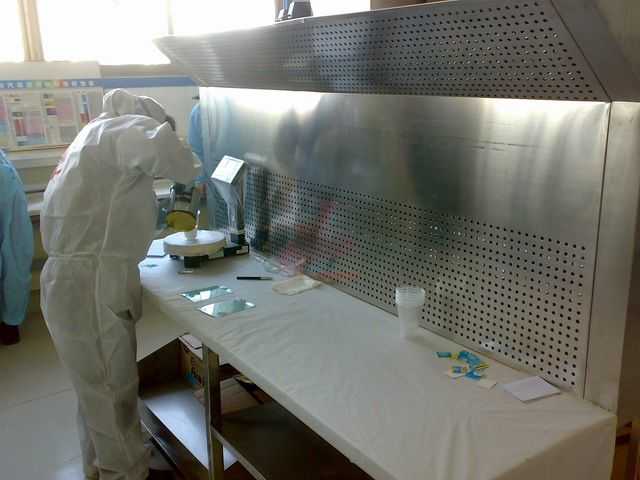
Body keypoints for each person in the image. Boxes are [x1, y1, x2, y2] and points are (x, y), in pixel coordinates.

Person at [40, 89, 200, 480]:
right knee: (112, 391)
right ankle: (127, 473)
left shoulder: (89, 136)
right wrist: (187, 175)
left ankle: (100, 467)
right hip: (92, 281)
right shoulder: (127, 128)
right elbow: (183, 163)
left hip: (66, 276)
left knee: (92, 390)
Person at [0, 149, 33, 345]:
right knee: (15, 253)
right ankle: (10, 326)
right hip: (5, 178)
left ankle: (10, 324)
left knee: (14, 251)